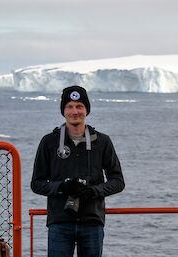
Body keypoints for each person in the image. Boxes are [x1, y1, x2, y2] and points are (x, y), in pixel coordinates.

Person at [31, 85, 125, 257]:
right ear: (63, 111)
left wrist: (93, 191)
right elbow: (36, 184)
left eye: (79, 106)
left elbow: (118, 181)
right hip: (60, 222)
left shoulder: (102, 141)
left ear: (87, 110)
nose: (75, 111)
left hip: (92, 222)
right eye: (70, 106)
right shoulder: (49, 142)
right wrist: (61, 188)